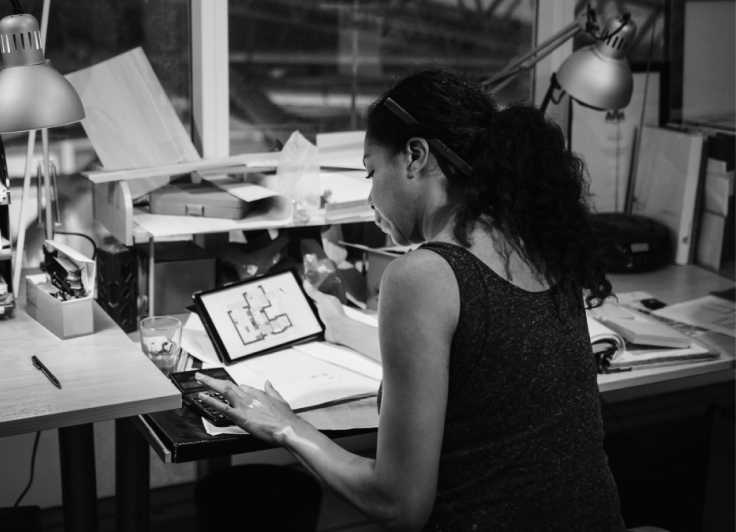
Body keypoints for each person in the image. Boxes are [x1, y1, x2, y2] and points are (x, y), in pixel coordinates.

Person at [195, 66, 625, 531]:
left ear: (415, 157)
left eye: (371, 171)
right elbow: (476, 359)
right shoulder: (540, 241)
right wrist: (342, 326)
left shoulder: (422, 275)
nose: (371, 196)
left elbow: (397, 504)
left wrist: (286, 426)